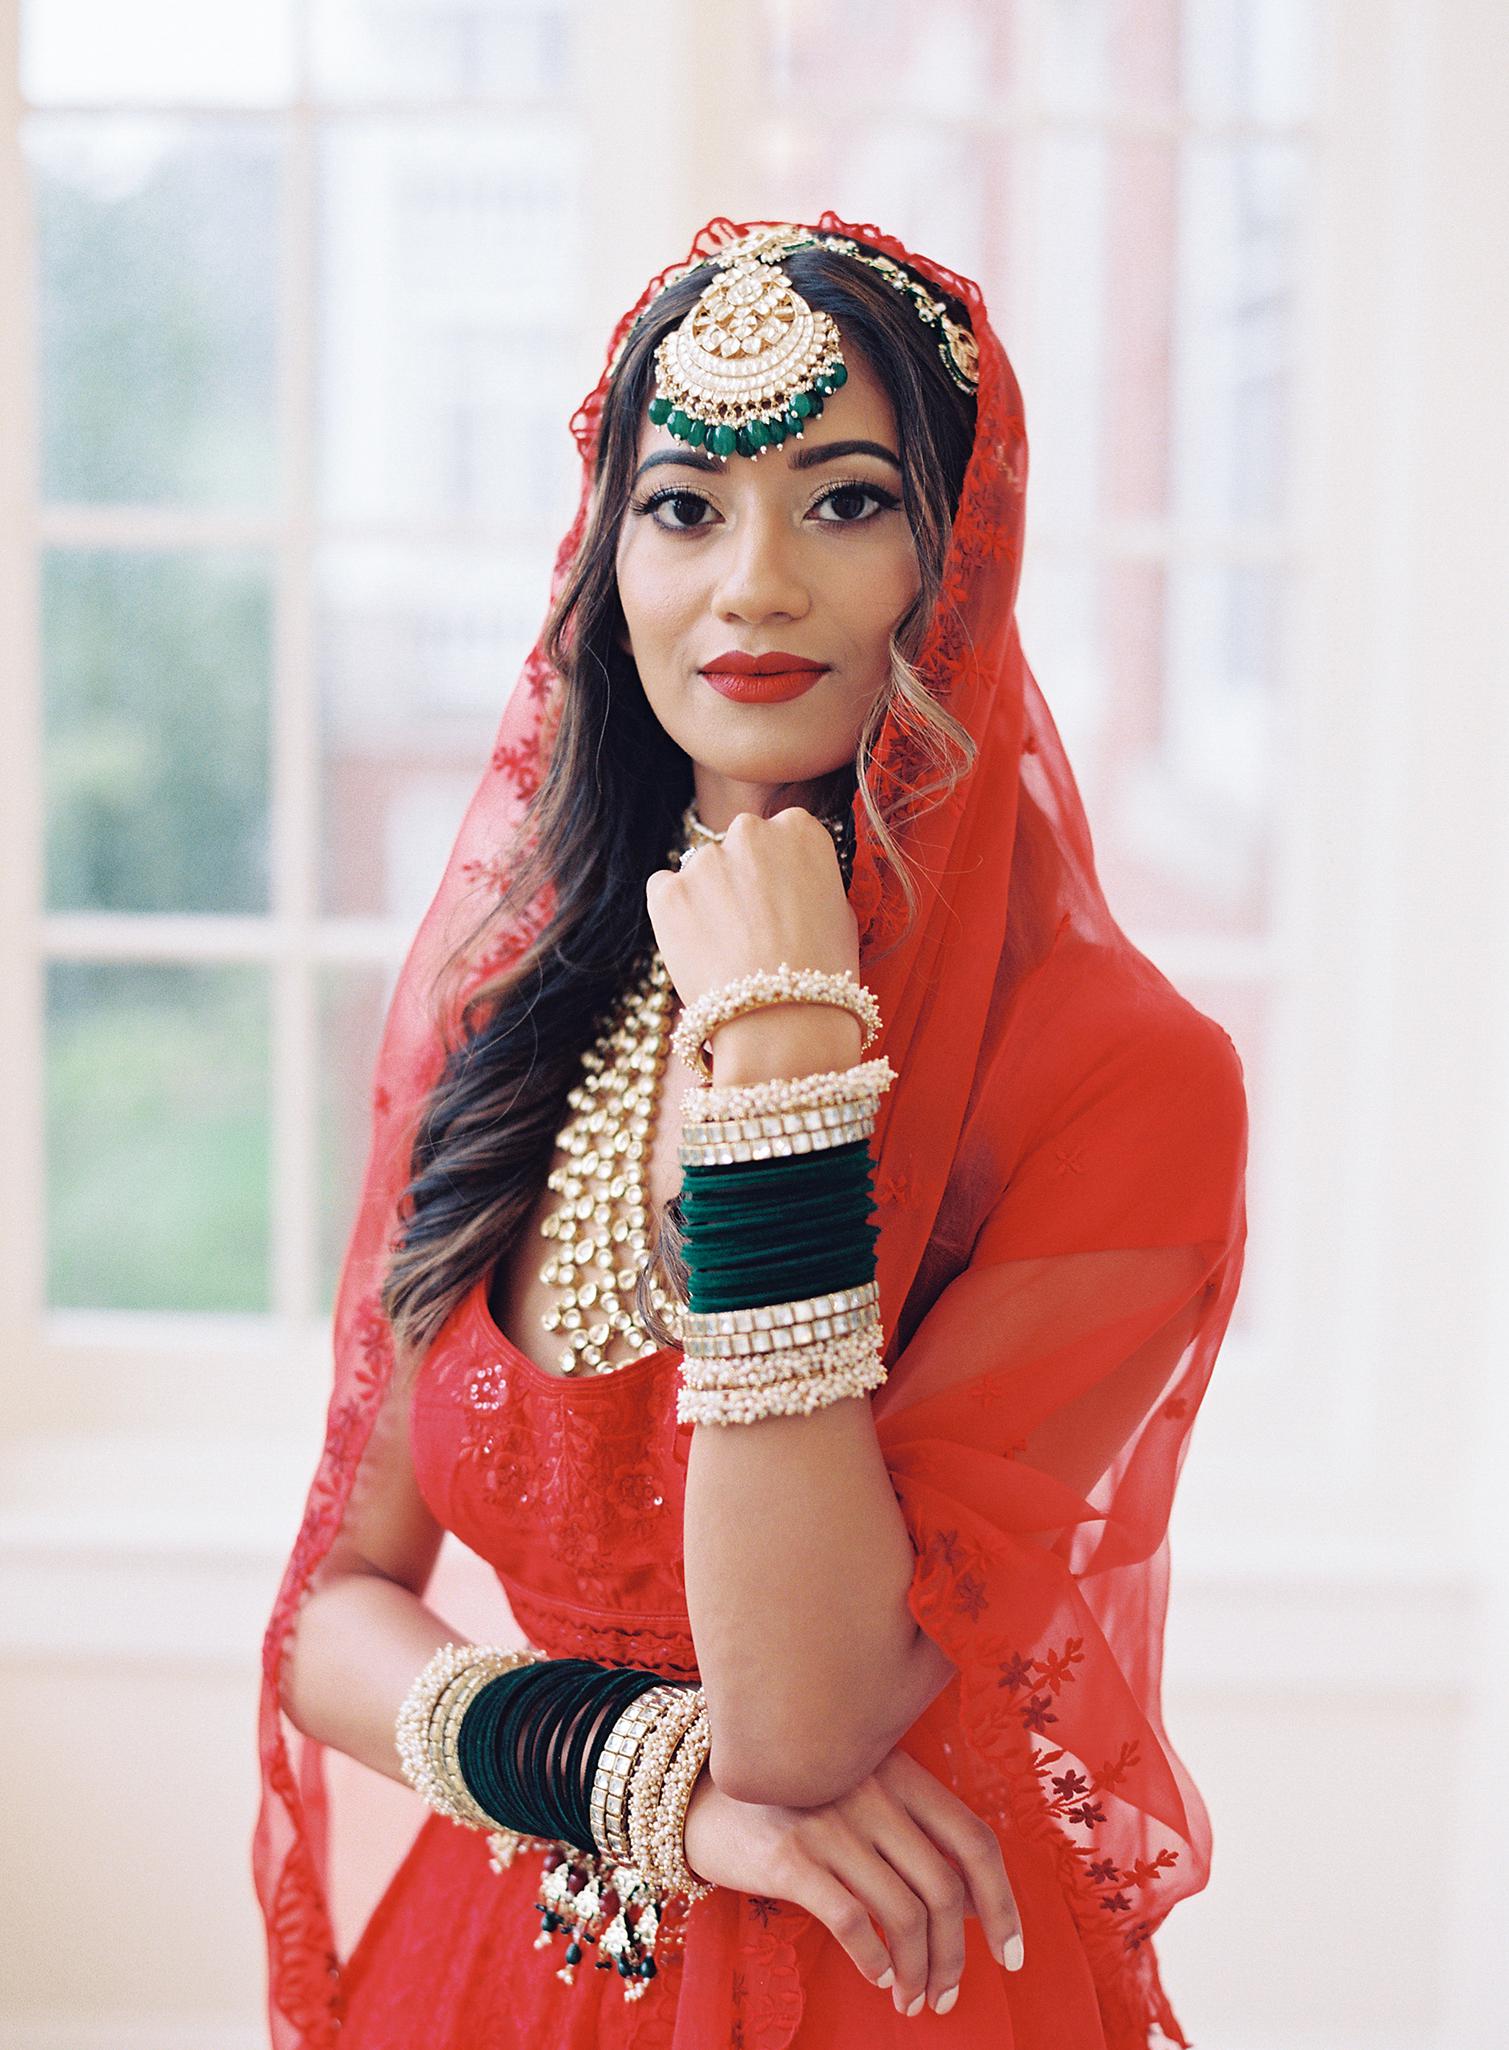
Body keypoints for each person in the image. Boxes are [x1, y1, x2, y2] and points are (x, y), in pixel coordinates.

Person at [253, 212, 1249, 2050]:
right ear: (605, 553)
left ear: (959, 554)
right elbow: (329, 1613)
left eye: (846, 501)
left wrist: (783, 1082)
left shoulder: (1119, 1076)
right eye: (686, 504)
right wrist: (650, 1787)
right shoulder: (507, 1006)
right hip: (504, 1940)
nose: (754, 584)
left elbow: (806, 1715)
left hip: (898, 1984)